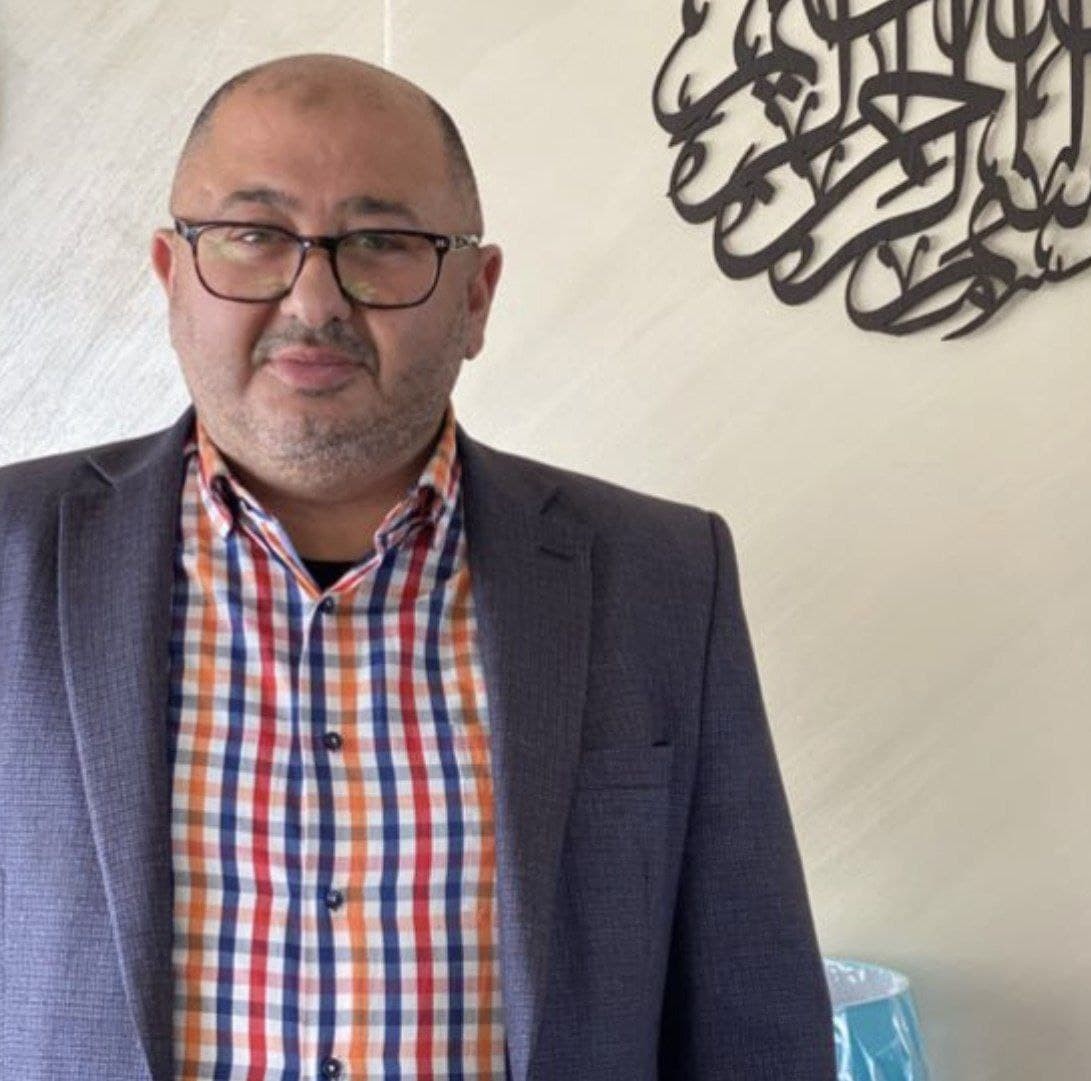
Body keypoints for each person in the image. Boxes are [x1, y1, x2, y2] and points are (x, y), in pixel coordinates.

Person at [0, 53, 835, 1081]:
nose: (314, 298)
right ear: (173, 277)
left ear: (476, 298)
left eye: (383, 243)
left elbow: (753, 1020)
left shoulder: (660, 576)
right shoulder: (14, 552)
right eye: (254, 235)